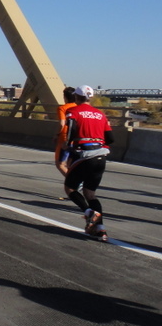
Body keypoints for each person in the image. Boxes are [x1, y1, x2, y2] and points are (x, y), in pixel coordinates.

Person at [63, 85, 114, 241]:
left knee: (70, 187)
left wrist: (69, 144)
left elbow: (70, 131)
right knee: (90, 193)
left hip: (85, 155)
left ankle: (88, 212)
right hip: (101, 156)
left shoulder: (73, 112)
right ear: (90, 97)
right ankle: (101, 230)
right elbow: (111, 139)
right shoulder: (100, 114)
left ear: (77, 98)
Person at [55, 86, 77, 176]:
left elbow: (62, 124)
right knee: (71, 164)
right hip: (76, 138)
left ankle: (73, 181)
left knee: (60, 164)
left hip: (65, 138)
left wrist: (57, 134)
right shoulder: (78, 107)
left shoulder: (62, 108)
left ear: (65, 97)